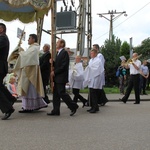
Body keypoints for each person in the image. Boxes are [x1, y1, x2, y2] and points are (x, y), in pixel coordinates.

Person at [14, 34, 48, 112]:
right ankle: (33, 105)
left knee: (29, 89)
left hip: (30, 71)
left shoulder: (35, 48)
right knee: (30, 89)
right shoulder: (32, 48)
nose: (28, 40)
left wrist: (20, 53)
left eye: (29, 38)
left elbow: (27, 56)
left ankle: (29, 107)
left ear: (33, 39)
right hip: (28, 70)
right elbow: (26, 55)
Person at [47, 39, 79, 116]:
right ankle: (56, 110)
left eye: (57, 42)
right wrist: (53, 63)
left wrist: (55, 72)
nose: (56, 44)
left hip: (61, 77)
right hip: (57, 77)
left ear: (62, 44)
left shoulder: (64, 53)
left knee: (61, 93)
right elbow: (58, 64)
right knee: (56, 94)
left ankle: (73, 106)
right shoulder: (58, 53)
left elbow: (63, 66)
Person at [0, 23, 16, 120]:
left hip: (0, 66)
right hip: (2, 67)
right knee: (0, 86)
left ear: (2, 29)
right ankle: (11, 99)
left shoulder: (3, 39)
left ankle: (8, 109)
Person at [83, 49, 104, 113]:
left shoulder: (98, 60)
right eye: (90, 53)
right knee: (91, 93)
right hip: (91, 78)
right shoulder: (91, 60)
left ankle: (95, 107)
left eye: (92, 53)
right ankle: (93, 106)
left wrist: (89, 68)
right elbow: (90, 68)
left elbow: (97, 69)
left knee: (94, 93)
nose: (90, 54)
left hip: (95, 78)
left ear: (95, 54)